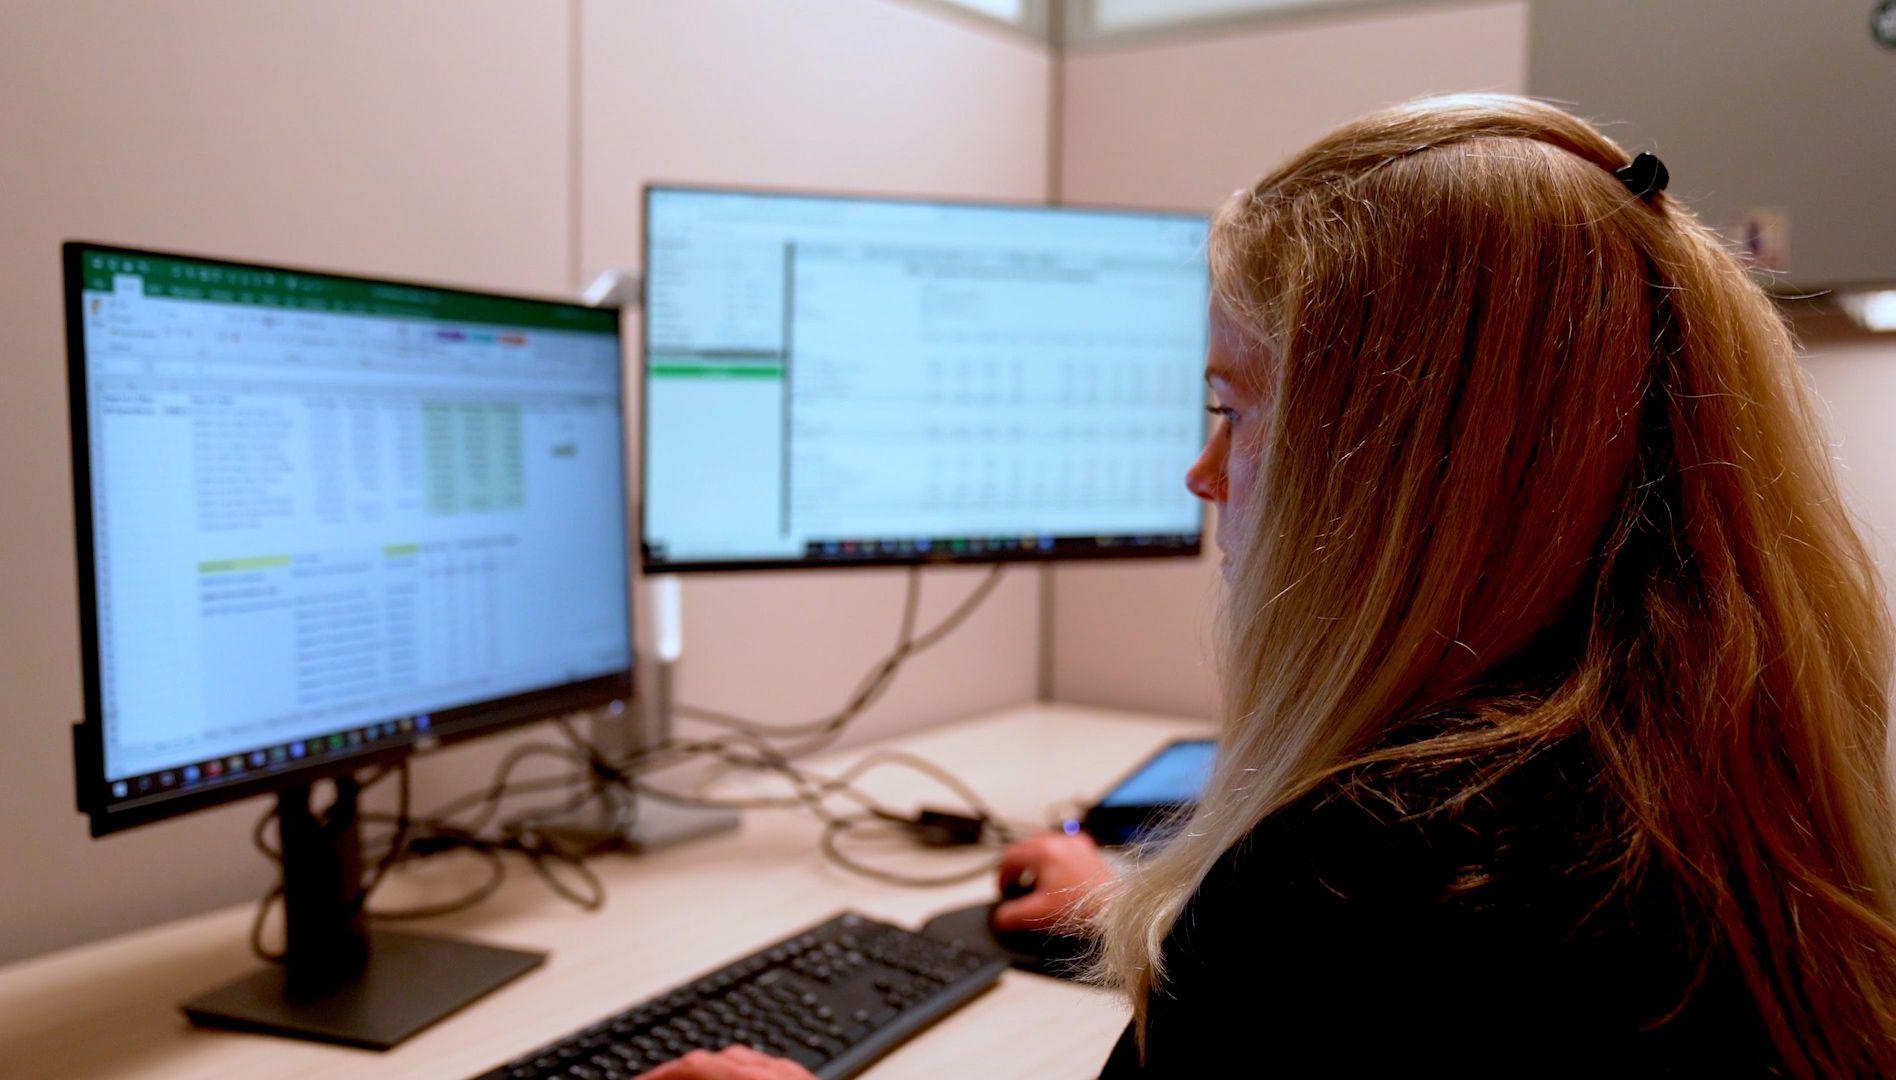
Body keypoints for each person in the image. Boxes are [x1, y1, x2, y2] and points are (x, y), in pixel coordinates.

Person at [642, 93, 1896, 1079]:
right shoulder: (1701, 753)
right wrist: (1172, 929)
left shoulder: (1366, 875)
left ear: (1396, 469)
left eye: (1233, 406)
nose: (1202, 470)